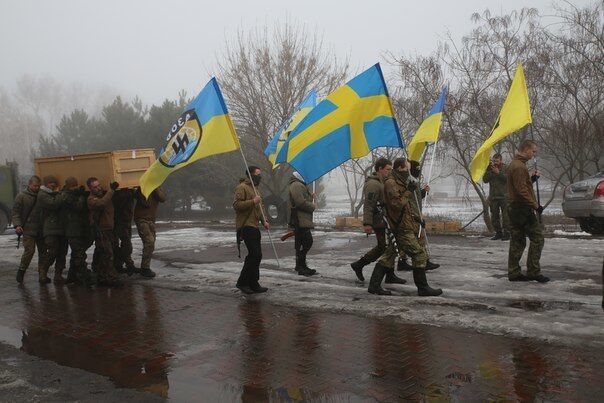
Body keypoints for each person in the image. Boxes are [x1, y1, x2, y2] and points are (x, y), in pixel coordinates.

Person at [368, 158, 442, 296]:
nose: (409, 171)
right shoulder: (391, 183)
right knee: (419, 254)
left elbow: (407, 206)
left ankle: (374, 285)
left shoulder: (399, 181)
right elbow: (397, 205)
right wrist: (408, 191)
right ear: (399, 169)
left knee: (389, 255)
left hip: (404, 223)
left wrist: (416, 219)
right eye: (406, 169)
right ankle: (423, 288)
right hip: (400, 226)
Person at [350, 157, 402, 282]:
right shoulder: (373, 184)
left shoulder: (382, 182)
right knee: (383, 247)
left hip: (385, 220)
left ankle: (390, 275)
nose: (390, 171)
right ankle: (359, 264)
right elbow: (368, 205)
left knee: (389, 246)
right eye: (388, 169)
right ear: (380, 169)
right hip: (379, 220)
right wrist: (367, 223)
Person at [506, 140, 549, 283]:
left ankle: (514, 272)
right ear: (525, 149)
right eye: (533, 151)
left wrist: (532, 179)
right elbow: (521, 191)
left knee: (518, 240)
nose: (534, 153)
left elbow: (521, 185)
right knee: (537, 239)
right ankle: (533, 271)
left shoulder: (516, 164)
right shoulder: (519, 167)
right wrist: (536, 206)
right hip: (521, 209)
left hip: (515, 207)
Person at [397, 160, 440, 271]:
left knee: (420, 238)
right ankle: (404, 261)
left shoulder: (414, 181)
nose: (418, 172)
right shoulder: (407, 181)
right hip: (411, 215)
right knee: (409, 240)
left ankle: (425, 261)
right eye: (415, 169)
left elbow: (415, 197)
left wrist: (423, 192)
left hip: (417, 214)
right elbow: (407, 198)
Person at [233, 166, 269, 294]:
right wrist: (252, 201)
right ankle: (242, 282)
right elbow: (237, 205)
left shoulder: (256, 189)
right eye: (258, 174)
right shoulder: (241, 187)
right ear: (251, 175)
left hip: (254, 225)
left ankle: (253, 282)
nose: (260, 177)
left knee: (257, 255)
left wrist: (264, 220)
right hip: (245, 226)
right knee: (255, 254)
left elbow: (259, 208)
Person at [87, 177, 122, 287]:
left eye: (98, 185)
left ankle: (101, 277)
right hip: (101, 231)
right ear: (90, 189)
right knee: (108, 254)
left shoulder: (105, 195)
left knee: (103, 255)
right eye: (95, 187)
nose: (98, 188)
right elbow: (102, 203)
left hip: (109, 230)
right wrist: (111, 190)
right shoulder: (91, 199)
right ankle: (112, 279)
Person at [62, 177, 95, 286]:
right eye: (73, 186)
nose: (75, 187)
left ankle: (72, 277)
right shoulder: (65, 196)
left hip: (79, 229)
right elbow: (78, 206)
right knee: (79, 255)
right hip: (72, 230)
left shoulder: (71, 194)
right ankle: (86, 278)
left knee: (77, 254)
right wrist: (81, 195)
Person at [12, 176, 44, 284]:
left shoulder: (42, 195)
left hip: (41, 229)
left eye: (38, 186)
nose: (36, 188)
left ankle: (42, 275)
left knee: (43, 252)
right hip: (28, 229)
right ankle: (21, 271)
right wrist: (17, 225)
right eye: (35, 186)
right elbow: (15, 212)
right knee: (29, 251)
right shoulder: (21, 196)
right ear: (29, 184)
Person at [37, 175, 68, 284]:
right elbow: (54, 204)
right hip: (50, 229)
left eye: (54, 183)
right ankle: (42, 272)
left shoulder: (54, 194)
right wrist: (60, 193)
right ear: (46, 184)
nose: (53, 185)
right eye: (51, 183)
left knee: (62, 253)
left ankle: (58, 275)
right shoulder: (42, 195)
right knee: (52, 252)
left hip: (61, 227)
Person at [288, 171, 317, 276]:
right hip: (299, 218)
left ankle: (301, 266)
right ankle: (301, 266)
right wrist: (312, 206)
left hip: (302, 218)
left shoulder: (299, 184)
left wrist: (311, 197)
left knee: (302, 242)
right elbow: (300, 202)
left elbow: (303, 199)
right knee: (306, 242)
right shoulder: (296, 185)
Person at [134, 186, 166, 278]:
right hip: (142, 219)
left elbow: (163, 198)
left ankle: (145, 266)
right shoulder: (141, 188)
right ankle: (145, 269)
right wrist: (147, 189)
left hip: (151, 219)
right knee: (149, 242)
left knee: (151, 243)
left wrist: (155, 188)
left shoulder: (156, 187)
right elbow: (145, 203)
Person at [483, 153, 510, 240]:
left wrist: (498, 173)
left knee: (506, 217)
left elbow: (508, 179)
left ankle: (507, 234)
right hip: (494, 197)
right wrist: (490, 171)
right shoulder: (490, 168)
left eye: (497, 161)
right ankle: (498, 233)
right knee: (494, 217)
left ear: (501, 160)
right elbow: (485, 180)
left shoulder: (506, 168)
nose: (495, 162)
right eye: (494, 161)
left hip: (504, 196)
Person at [113, 188, 138, 275]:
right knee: (126, 244)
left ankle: (123, 264)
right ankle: (124, 264)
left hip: (126, 220)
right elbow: (118, 203)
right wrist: (128, 192)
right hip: (120, 221)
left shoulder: (129, 191)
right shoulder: (118, 193)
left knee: (125, 244)